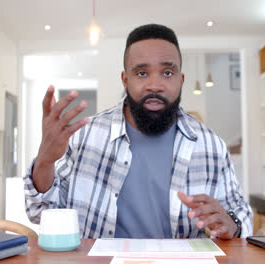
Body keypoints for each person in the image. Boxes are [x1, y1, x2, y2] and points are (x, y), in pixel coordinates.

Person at [24, 24, 253, 239]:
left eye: (167, 72)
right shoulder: (86, 135)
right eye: (142, 73)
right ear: (125, 80)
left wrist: (232, 224)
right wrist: (45, 161)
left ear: (181, 80)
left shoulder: (211, 146)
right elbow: (41, 213)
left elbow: (242, 215)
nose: (155, 85)